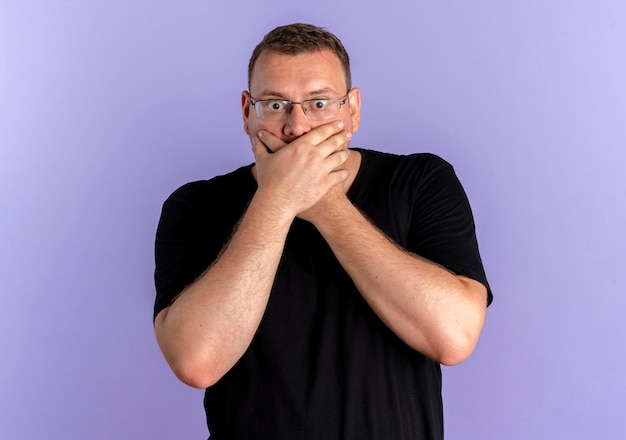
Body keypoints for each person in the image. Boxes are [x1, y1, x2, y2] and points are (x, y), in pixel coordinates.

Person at [153, 23, 492, 440]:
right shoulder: (195, 207)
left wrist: (326, 206)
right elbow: (196, 361)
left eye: (318, 102)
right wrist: (276, 201)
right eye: (275, 105)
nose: (297, 127)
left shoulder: (421, 180)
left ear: (353, 109)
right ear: (246, 111)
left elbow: (453, 337)